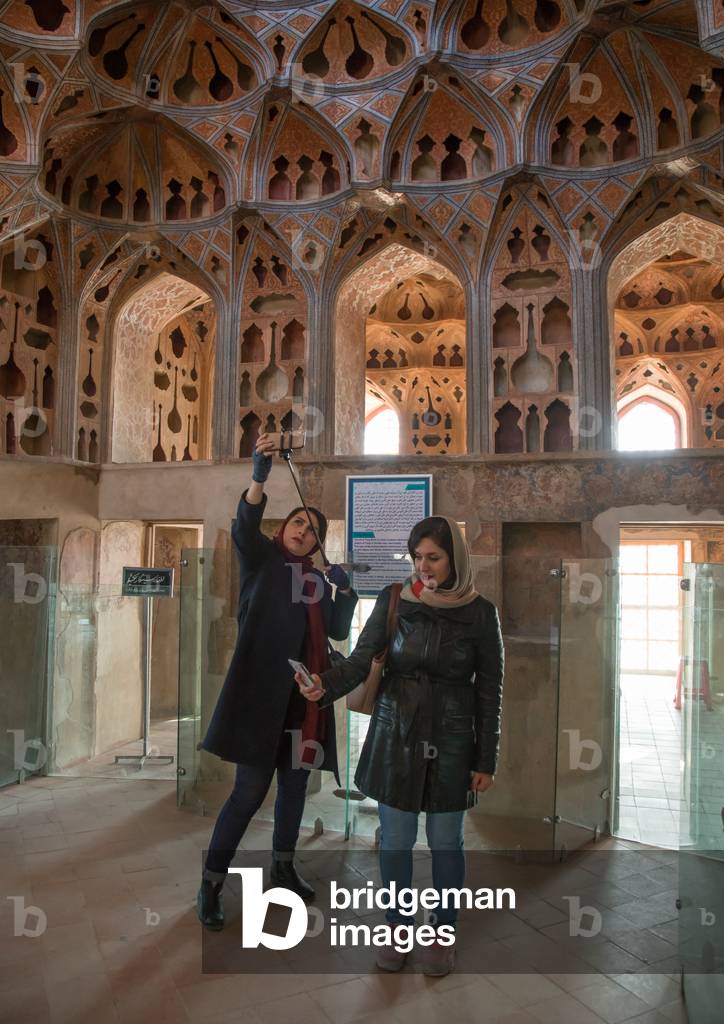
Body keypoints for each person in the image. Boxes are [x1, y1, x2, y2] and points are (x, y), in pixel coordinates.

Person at [296, 515, 504, 976]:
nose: (423, 567)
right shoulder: (395, 600)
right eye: (417, 558)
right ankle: (396, 927)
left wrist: (485, 758)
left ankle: (441, 932)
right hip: (396, 733)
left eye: (434, 557)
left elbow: (490, 690)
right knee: (395, 841)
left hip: (452, 739)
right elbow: (359, 659)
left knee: (446, 842)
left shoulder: (479, 611)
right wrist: (323, 686)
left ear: (456, 557)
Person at [197, 433, 358, 930]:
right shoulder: (261, 560)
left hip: (304, 702)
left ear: (317, 543)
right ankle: (211, 884)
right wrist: (259, 477)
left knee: (294, 788)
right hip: (259, 700)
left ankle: (283, 869)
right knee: (248, 793)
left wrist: (346, 591)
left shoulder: (313, 579)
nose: (302, 533)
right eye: (297, 523)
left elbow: (335, 630)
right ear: (284, 527)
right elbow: (244, 524)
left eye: (311, 531)